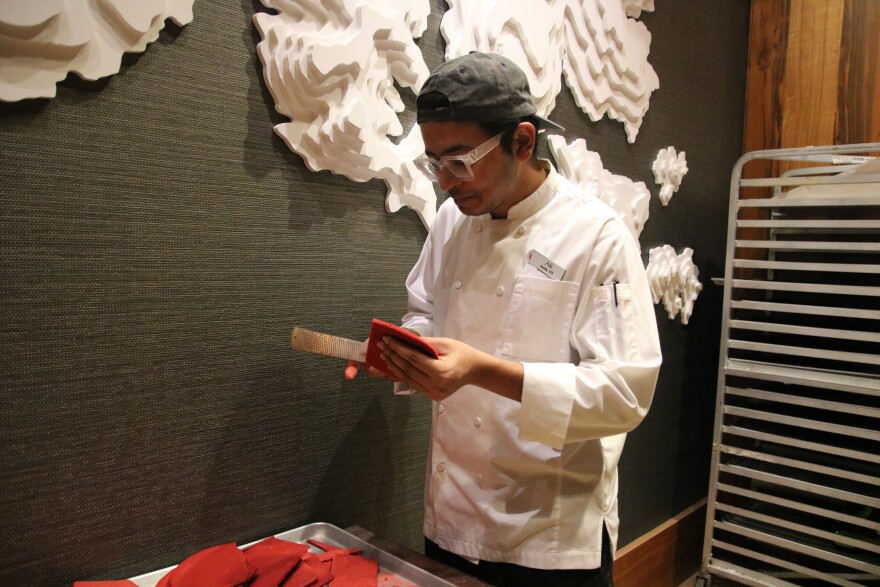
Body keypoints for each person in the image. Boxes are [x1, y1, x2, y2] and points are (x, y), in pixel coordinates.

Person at [366, 52, 662, 586]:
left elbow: (625, 392)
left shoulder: (597, 236)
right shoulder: (453, 221)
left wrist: (479, 370)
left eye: (458, 161)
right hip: (452, 513)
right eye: (433, 163)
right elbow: (425, 311)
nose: (444, 182)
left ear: (521, 142)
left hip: (548, 534)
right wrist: (407, 354)